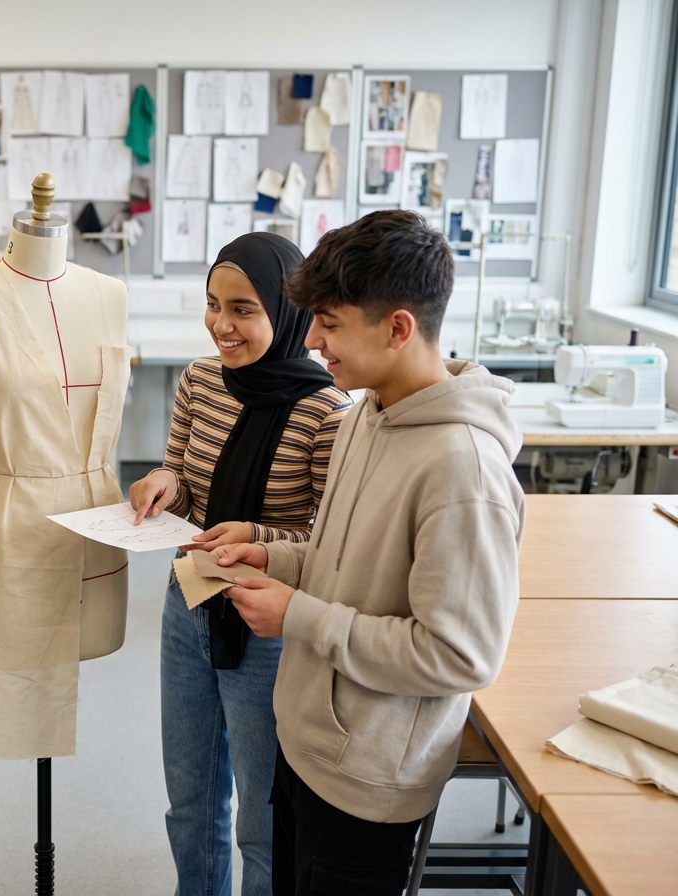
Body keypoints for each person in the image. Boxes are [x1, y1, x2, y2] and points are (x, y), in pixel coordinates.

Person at [213, 210, 525, 895]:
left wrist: (298, 616)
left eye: (330, 322)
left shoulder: (463, 471)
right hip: (306, 741)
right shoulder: (365, 412)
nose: (314, 339)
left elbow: (459, 655)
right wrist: (277, 558)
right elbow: (347, 561)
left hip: (369, 778)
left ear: (398, 328)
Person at [129, 232, 351, 895]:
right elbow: (184, 476)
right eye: (212, 304)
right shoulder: (200, 380)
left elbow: (332, 545)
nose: (221, 325)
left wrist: (252, 533)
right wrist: (163, 484)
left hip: (268, 623)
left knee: (262, 814)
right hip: (189, 604)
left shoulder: (325, 410)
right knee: (190, 799)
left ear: (286, 314)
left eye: (244, 309)